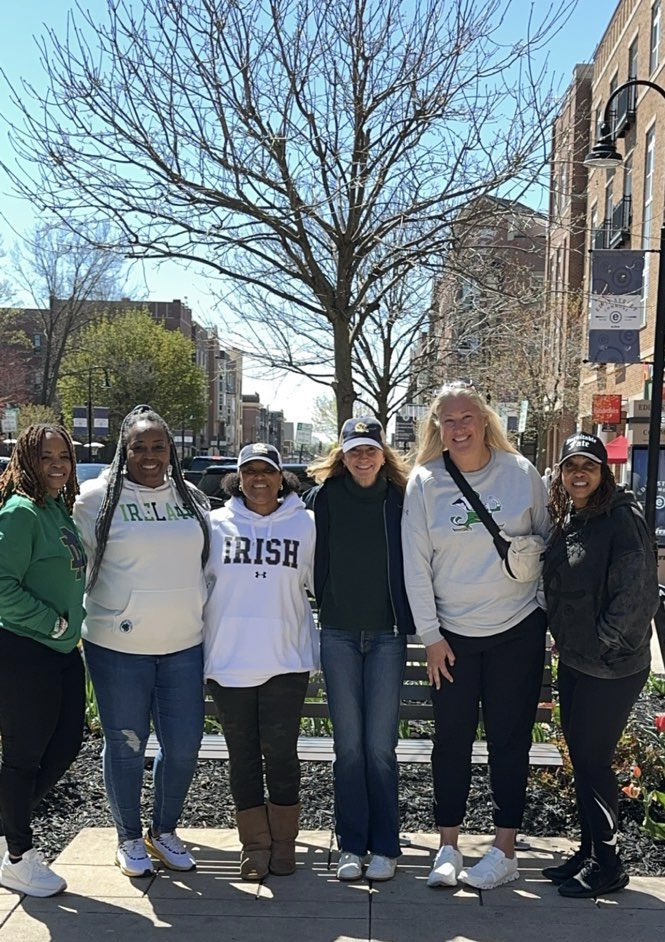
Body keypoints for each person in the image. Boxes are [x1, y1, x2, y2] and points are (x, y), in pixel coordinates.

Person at [402, 382, 549, 891]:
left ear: (485, 420)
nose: (458, 428)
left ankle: (504, 848)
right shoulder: (424, 482)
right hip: (453, 640)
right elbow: (415, 568)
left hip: (516, 631)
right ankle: (448, 846)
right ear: (436, 427)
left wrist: (546, 618)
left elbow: (545, 542)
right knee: (451, 742)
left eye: (467, 417)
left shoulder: (521, 474)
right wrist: (432, 637)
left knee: (510, 742)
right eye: (448, 420)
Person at [73, 405, 210, 878]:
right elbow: (75, 565)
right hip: (117, 647)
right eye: (139, 447)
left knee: (185, 744)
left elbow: (207, 568)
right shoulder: (95, 499)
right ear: (124, 450)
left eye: (158, 446)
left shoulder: (191, 497)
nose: (149, 455)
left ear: (170, 450)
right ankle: (128, 837)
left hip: (184, 645)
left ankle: (164, 830)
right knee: (126, 743)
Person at [542, 432, 659, 898]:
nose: (579, 473)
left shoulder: (621, 520)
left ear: (603, 472)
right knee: (583, 760)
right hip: (575, 660)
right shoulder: (574, 517)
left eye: (588, 465)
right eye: (571, 466)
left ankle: (608, 864)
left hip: (611, 666)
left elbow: (637, 596)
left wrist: (601, 641)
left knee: (592, 759)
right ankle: (590, 850)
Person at [305, 416, 414, 883]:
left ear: (383, 454)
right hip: (339, 634)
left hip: (388, 635)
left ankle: (386, 846)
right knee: (348, 747)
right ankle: (351, 844)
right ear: (342, 455)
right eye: (355, 451)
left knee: (379, 748)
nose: (363, 459)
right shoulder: (324, 498)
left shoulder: (401, 500)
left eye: (371, 450)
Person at [203, 443, 318, 881]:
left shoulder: (306, 524)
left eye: (266, 471)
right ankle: (254, 845)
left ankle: (284, 843)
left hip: (285, 658)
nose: (258, 479)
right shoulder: (214, 524)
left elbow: (320, 581)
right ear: (237, 478)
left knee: (282, 754)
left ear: (280, 477)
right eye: (248, 471)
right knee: (243, 756)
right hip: (228, 659)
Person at [0, 424, 86, 897]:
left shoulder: (57, 509)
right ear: (27, 461)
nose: (57, 465)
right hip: (24, 650)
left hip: (61, 651)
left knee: (67, 743)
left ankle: (5, 828)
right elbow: (1, 587)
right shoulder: (20, 513)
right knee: (23, 757)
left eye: (64, 457)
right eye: (46, 457)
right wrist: (52, 622)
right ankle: (17, 854)